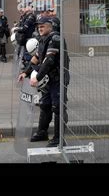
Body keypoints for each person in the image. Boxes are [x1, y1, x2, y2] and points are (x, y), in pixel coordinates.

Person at [18, 17, 70, 147]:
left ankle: (59, 138)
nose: (40, 28)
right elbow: (36, 58)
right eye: (38, 26)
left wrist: (38, 77)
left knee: (58, 107)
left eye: (43, 26)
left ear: (50, 27)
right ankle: (42, 132)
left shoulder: (55, 39)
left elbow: (49, 60)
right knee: (45, 105)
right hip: (48, 79)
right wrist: (26, 72)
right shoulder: (42, 39)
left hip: (58, 78)